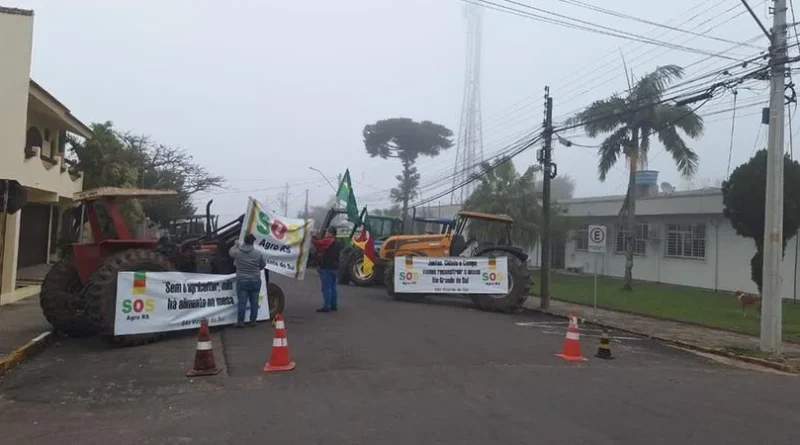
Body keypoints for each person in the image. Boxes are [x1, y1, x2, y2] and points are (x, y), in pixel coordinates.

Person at [229, 234, 267, 327]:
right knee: (254, 301)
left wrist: (236, 245)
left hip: (242, 280)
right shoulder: (258, 253)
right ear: (253, 242)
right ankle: (253, 321)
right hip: (255, 280)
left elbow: (230, 252)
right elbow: (263, 265)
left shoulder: (237, 252)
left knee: (242, 302)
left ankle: (241, 322)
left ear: (244, 241)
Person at [311, 227, 341, 313]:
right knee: (333, 287)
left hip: (327, 267)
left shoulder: (329, 240)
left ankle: (327, 306)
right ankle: (333, 305)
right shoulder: (337, 241)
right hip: (335, 267)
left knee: (326, 288)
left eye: (327, 232)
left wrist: (313, 236)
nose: (326, 233)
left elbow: (317, 243)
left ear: (330, 233)